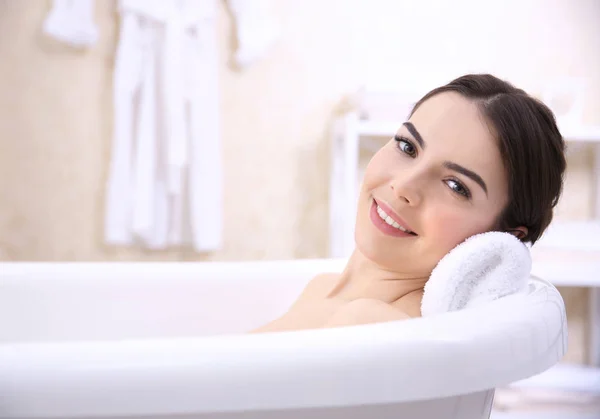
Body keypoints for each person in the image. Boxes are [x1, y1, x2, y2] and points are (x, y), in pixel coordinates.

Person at [251, 74, 567, 333]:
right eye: (407, 146)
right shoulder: (321, 289)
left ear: (501, 238)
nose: (403, 186)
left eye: (456, 185)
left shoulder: (371, 326)